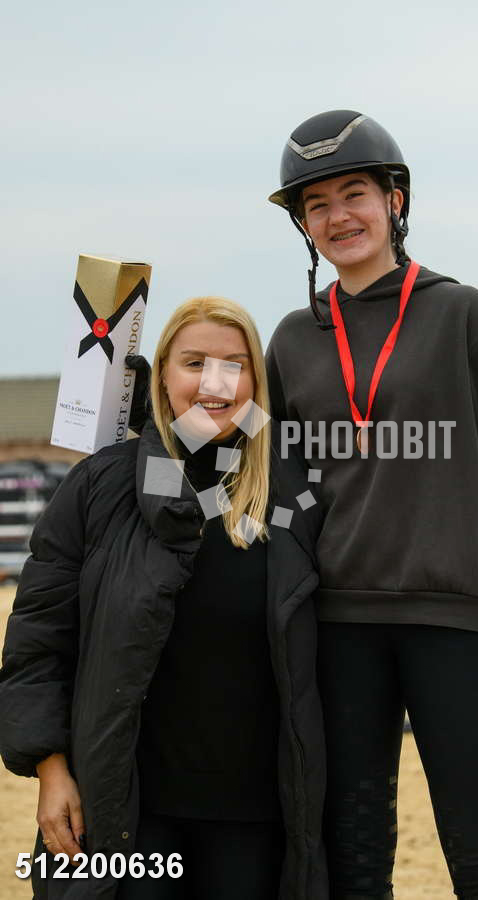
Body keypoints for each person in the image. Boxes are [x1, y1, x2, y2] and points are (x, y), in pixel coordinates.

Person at [263, 110, 478, 900]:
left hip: (458, 623)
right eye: (316, 205)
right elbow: (274, 484)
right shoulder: (291, 340)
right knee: (352, 862)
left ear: (394, 200)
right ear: (302, 225)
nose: (337, 216)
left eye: (354, 194)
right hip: (338, 629)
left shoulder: (461, 314)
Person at [0, 296, 327, 900]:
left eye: (234, 365)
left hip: (254, 816)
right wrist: (50, 768)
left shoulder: (292, 496)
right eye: (194, 362)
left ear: (256, 381)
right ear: (162, 377)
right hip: (129, 807)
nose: (213, 382)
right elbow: (38, 640)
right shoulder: (101, 485)